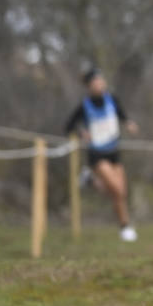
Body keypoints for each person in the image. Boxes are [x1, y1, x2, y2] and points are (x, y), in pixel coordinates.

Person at [64, 67, 140, 242]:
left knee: (120, 193)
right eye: (96, 82)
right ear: (89, 86)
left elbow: (122, 115)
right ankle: (125, 226)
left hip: (114, 151)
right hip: (97, 154)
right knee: (118, 190)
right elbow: (69, 126)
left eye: (101, 80)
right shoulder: (84, 106)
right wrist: (82, 132)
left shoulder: (112, 99)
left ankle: (124, 227)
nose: (100, 84)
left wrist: (129, 124)